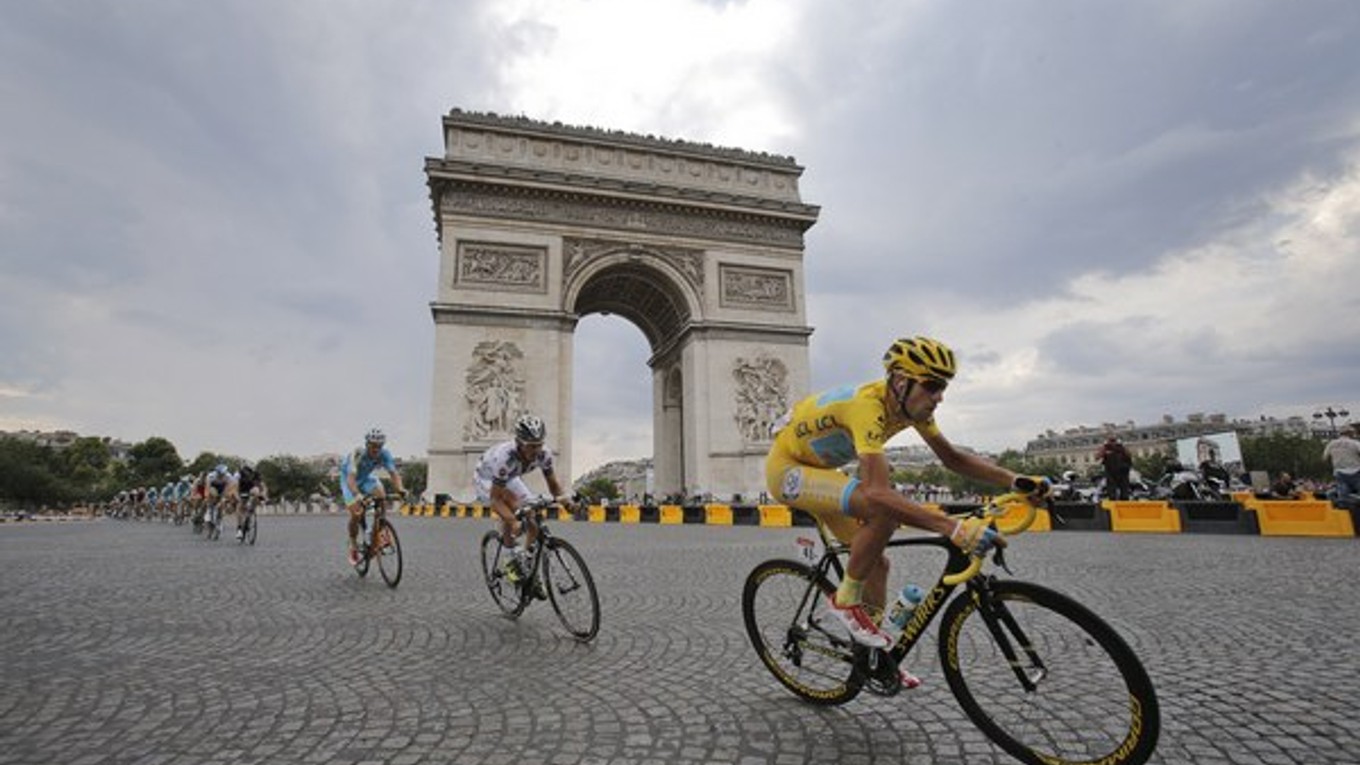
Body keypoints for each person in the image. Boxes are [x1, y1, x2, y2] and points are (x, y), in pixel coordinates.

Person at [764, 335, 1051, 687]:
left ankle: (872, 655)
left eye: (942, 387)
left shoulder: (909, 407)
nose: (939, 396)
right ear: (901, 382)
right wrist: (952, 527)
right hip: (787, 470)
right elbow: (878, 493)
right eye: (931, 386)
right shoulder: (867, 407)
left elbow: (953, 459)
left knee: (877, 563)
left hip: (822, 473)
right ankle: (844, 601)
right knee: (883, 509)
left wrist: (1014, 480)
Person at [473, 414, 572, 581]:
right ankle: (510, 557)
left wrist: (567, 503)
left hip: (510, 477)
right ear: (519, 443)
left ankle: (525, 560)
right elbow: (496, 499)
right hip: (487, 478)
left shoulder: (544, 454)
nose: (536, 451)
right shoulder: (505, 458)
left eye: (539, 445)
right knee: (512, 508)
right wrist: (512, 521)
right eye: (531, 446)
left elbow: (553, 484)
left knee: (531, 514)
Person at [341, 428, 406, 565]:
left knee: (381, 496)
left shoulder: (385, 454)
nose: (376, 449)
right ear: (367, 444)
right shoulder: (357, 454)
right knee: (357, 513)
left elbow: (394, 474)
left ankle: (379, 530)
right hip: (349, 481)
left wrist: (400, 489)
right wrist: (357, 495)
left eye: (379, 446)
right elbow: (351, 479)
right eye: (373, 445)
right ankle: (353, 545)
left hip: (366, 479)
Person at [1322, 425, 1360, 502]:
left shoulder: (1332, 443)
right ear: (1350, 433)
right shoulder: (1355, 443)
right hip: (1356, 471)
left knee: (1343, 497)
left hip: (1339, 472)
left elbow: (1324, 458)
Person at [1095, 435, 1133, 501]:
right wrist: (1104, 448)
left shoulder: (1121, 448)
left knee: (1124, 492)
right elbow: (1097, 457)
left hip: (1122, 472)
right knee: (1112, 491)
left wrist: (1121, 447)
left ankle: (1123, 503)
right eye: (1111, 441)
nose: (1112, 443)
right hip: (1111, 472)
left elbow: (1129, 455)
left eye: (1113, 441)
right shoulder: (1106, 448)